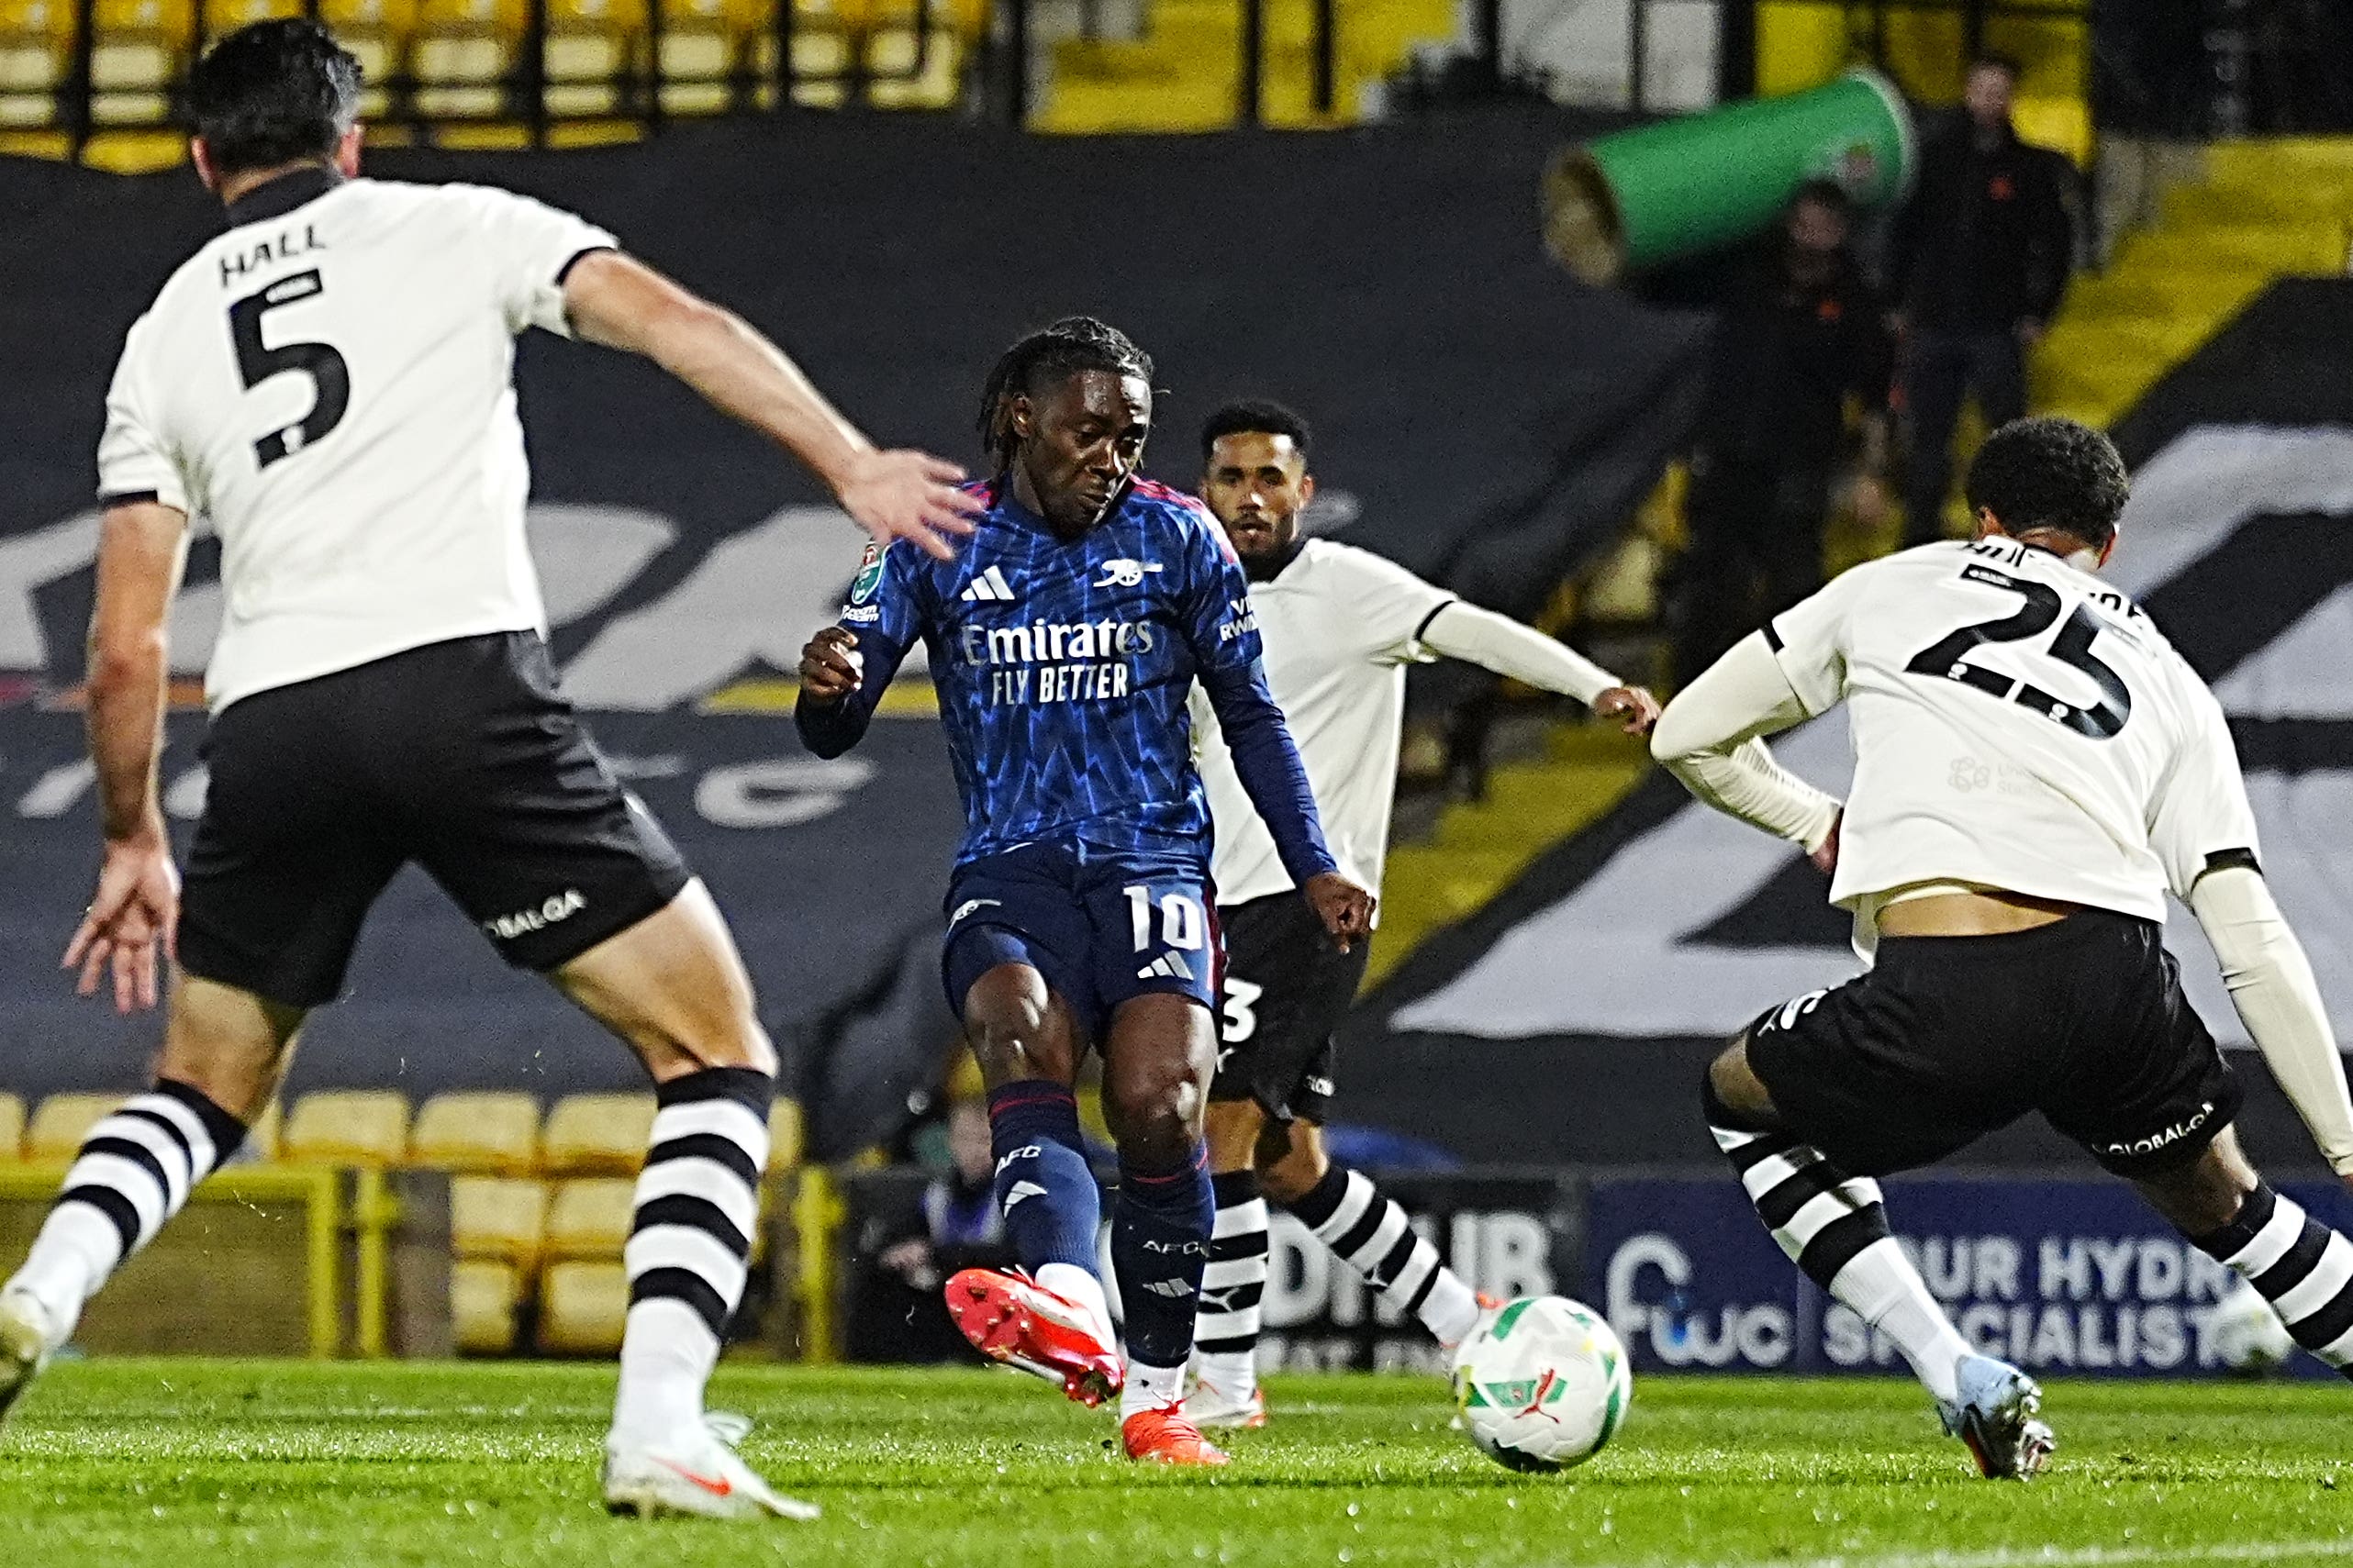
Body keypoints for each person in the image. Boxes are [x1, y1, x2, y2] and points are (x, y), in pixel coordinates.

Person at [0, 19, 980, 1523]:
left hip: (271, 725)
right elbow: (674, 321)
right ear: (351, 142)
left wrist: (132, 835)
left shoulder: (167, 328)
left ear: (201, 161)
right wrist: (848, 460)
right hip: (458, 688)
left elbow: (125, 650)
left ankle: (45, 1290)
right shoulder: (457, 223)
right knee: (715, 1050)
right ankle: (659, 1421)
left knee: (200, 1084)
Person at [1651, 416, 2353, 1479]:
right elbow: (2246, 932)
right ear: (2106, 543)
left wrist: (1812, 818)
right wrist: (2344, 1145)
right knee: (2232, 1205)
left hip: (1947, 986)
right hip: (2118, 989)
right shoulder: (2171, 679)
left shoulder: (1890, 584)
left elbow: (1683, 734)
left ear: (1981, 519)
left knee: (1738, 1098)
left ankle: (1957, 1374)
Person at [793, 319, 1373, 1466]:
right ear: (1022, 418)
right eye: (1089, 431)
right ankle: (1068, 1294)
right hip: (1010, 868)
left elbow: (1250, 713)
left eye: (1131, 437)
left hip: (1151, 865)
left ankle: (1154, 1396)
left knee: (1160, 1106)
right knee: (1017, 1032)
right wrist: (828, 685)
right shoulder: (929, 535)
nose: (1112, 456)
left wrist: (1313, 858)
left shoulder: (1177, 534)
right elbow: (833, 721)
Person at [1181, 400, 1660, 1428]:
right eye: (1232, 478)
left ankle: (1221, 1385)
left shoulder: (1350, 587)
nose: (1251, 497)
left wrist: (1592, 685)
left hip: (1303, 903)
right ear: (1205, 490)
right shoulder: (1187, 596)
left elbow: (1475, 629)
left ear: (1303, 491)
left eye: (1270, 478)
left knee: (1219, 1126)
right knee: (1288, 1160)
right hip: (1214, 902)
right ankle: (1456, 1316)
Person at [1676, 181, 1892, 686]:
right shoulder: (1749, 278)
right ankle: (1691, 694)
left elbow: (1877, 397)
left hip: (1800, 463)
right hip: (1729, 454)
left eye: (1824, 225)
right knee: (1709, 584)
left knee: (1793, 590)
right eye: (1804, 222)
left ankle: (1789, 698)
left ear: (1841, 232)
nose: (1812, 235)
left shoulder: (1855, 301)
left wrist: (1872, 474)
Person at [1888, 52, 2075, 548]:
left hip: (1995, 324)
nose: (1991, 101)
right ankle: (1919, 539)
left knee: (2007, 439)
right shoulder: (1934, 161)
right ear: (1967, 92)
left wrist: (2039, 310)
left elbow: (2055, 244)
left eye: (2000, 92)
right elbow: (1904, 234)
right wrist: (1898, 300)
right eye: (1983, 90)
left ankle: (2014, 537)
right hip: (1934, 320)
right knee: (1928, 440)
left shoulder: (2029, 168)